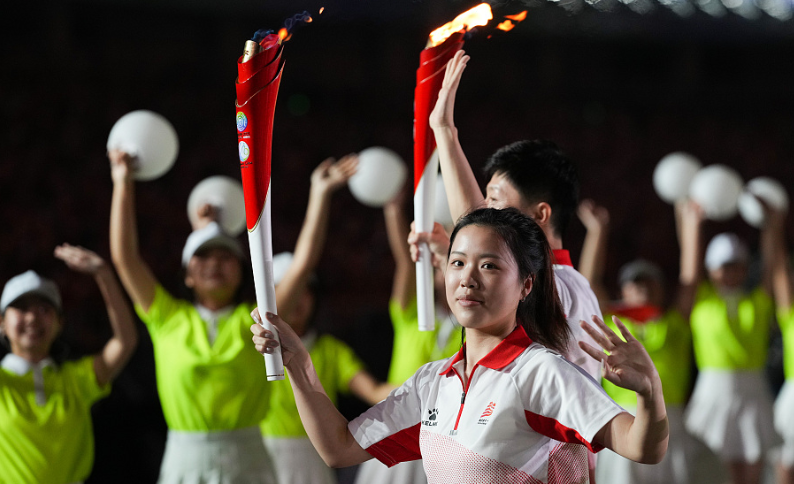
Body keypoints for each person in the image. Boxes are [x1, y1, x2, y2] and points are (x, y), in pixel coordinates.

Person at [252, 207, 669, 484]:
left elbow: (643, 447)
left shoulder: (539, 372)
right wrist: (299, 365)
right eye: (457, 262)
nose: (468, 277)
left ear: (526, 285)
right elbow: (339, 449)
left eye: (489, 265)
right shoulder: (434, 382)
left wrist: (649, 393)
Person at [411, 49, 604, 477]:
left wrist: (444, 132)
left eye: (495, 202)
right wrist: (452, 257)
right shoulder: (569, 284)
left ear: (540, 215)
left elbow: (477, 227)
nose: (487, 214)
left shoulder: (564, 287)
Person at [109, 149, 276, 484]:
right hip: (185, 461)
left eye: (225, 256)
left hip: (249, 458)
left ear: (242, 272)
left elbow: (300, 268)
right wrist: (123, 183)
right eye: (203, 256)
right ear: (187, 274)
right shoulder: (167, 317)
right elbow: (125, 257)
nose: (214, 264)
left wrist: (319, 196)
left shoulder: (259, 316)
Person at [259, 155, 394, 484]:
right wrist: (318, 194)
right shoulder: (255, 341)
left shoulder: (330, 350)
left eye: (307, 290)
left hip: (313, 461)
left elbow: (374, 390)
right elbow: (304, 261)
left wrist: (427, 393)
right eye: (289, 289)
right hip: (258, 457)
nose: (299, 298)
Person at [577, 199, 699, 484]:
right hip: (622, 421)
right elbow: (587, 282)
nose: (642, 287)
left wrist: (692, 225)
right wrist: (598, 231)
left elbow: (690, 279)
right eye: (635, 283)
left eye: (649, 282)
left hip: (672, 422)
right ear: (623, 290)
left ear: (662, 290)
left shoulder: (675, 323)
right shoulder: (611, 323)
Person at [0, 244, 138, 484]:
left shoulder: (76, 380)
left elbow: (125, 341)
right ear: (2, 323)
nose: (32, 318)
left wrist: (104, 275)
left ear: (60, 322)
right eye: (21, 309)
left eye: (43, 309)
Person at [353, 188, 462, 484]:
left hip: (445, 437)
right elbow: (405, 260)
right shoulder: (411, 312)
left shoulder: (471, 329)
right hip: (397, 427)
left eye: (456, 264)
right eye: (440, 266)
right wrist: (394, 212)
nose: (446, 273)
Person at [681, 201, 781, 484]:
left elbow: (772, 268)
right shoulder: (701, 302)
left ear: (745, 268)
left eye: (737, 266)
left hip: (753, 392)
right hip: (713, 393)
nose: (730, 273)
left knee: (752, 474)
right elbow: (688, 269)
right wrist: (691, 225)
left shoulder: (757, 303)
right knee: (717, 474)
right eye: (723, 266)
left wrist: (772, 227)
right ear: (711, 270)